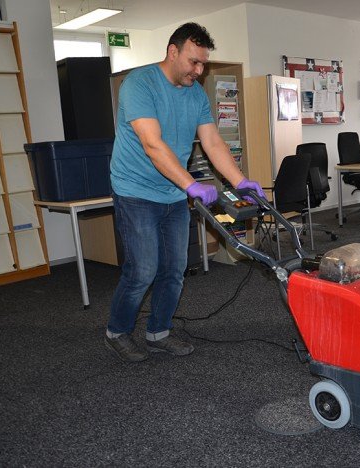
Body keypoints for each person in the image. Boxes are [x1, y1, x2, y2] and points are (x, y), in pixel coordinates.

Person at [105, 23, 265, 362]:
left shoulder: (195, 93)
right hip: (135, 191)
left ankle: (158, 332)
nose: (199, 70)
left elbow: (212, 142)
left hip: (172, 193)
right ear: (172, 52)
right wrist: (191, 185)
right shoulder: (139, 84)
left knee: (175, 268)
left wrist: (239, 180)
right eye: (194, 62)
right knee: (143, 270)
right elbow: (152, 144)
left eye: (203, 63)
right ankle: (117, 331)